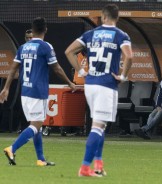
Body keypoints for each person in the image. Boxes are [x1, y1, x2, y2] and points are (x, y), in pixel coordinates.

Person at [65, 4, 133, 177]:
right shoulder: (120, 35)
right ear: (117, 18)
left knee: (99, 124)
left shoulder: (90, 34)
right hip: (106, 84)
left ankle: (98, 165)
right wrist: (123, 76)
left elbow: (69, 51)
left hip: (91, 84)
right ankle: (85, 168)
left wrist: (81, 72)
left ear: (103, 17)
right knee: (98, 126)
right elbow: (129, 55)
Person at [0, 17, 76, 166]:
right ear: (45, 30)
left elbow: (14, 68)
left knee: (36, 126)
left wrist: (6, 88)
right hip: (37, 91)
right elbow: (57, 68)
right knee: (36, 125)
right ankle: (12, 148)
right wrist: (70, 83)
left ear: (32, 30)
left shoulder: (23, 47)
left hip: (25, 91)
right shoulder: (45, 46)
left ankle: (40, 159)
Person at [17, 29, 34, 134]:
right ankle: (23, 128)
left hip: (35, 82)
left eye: (31, 37)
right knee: (23, 107)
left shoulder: (40, 47)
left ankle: (34, 128)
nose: (29, 39)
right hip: (24, 82)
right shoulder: (22, 48)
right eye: (27, 37)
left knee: (34, 107)